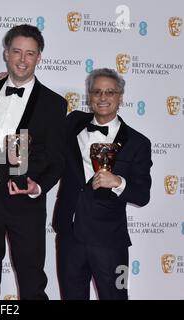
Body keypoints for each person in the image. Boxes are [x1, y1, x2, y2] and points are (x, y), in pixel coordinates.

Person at [0, 24, 67, 299]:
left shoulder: (54, 103)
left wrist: (37, 187)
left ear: (39, 58)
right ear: (6, 54)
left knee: (32, 277)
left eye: (30, 53)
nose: (22, 60)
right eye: (16, 52)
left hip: (25, 201)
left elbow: (57, 159)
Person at [52, 68, 152, 300]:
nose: (103, 97)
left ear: (120, 97)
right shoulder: (73, 123)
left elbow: (142, 195)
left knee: (116, 296)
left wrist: (118, 182)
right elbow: (43, 114)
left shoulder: (138, 142)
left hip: (111, 242)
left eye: (110, 92)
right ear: (89, 96)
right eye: (97, 92)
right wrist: (11, 82)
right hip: (70, 236)